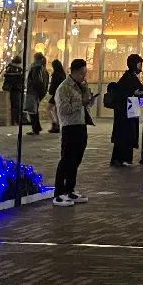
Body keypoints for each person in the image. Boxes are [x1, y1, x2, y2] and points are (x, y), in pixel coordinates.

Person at [51, 58, 94, 206]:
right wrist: (80, 102)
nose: (84, 76)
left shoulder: (80, 86)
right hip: (69, 126)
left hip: (81, 124)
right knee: (67, 159)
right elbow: (63, 109)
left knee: (76, 159)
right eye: (82, 73)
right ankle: (59, 193)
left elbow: (86, 104)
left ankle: (70, 189)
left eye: (85, 73)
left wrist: (88, 98)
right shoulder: (64, 88)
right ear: (74, 72)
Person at [107, 53, 143, 166]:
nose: (140, 67)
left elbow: (141, 90)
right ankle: (120, 159)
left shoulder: (130, 76)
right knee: (124, 135)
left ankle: (123, 159)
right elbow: (130, 91)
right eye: (139, 64)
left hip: (127, 111)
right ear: (134, 64)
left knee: (126, 134)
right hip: (124, 112)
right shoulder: (129, 77)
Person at [24, 52, 48, 136]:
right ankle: (37, 127)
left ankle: (35, 129)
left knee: (32, 111)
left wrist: (38, 92)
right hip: (36, 92)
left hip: (33, 92)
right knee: (34, 111)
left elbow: (37, 81)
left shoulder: (36, 67)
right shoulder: (42, 67)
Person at [1, 56, 25, 128]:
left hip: (13, 89)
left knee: (15, 106)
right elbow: (15, 80)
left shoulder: (11, 68)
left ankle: (15, 120)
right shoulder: (14, 69)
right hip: (15, 89)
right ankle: (15, 120)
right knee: (16, 106)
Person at [47, 58, 66, 133]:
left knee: (49, 109)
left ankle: (55, 124)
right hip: (61, 94)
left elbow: (53, 85)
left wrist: (50, 91)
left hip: (55, 95)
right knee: (56, 109)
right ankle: (58, 124)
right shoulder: (63, 74)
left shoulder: (56, 75)